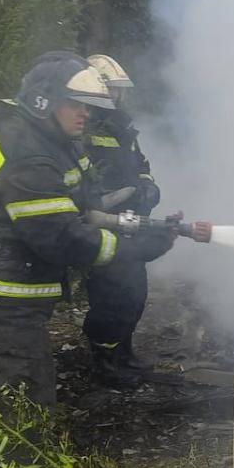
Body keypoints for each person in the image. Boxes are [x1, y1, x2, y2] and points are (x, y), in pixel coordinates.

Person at [0, 51, 174, 468]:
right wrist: (128, 250)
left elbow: (84, 207)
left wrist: (140, 226)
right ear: (45, 101)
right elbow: (60, 237)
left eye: (88, 104)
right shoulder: (29, 151)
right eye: (75, 103)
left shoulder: (49, 142)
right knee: (20, 393)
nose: (86, 112)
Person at [81, 55, 161, 379]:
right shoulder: (84, 128)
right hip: (103, 224)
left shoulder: (123, 126)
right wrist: (115, 196)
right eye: (112, 90)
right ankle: (104, 363)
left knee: (136, 291)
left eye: (119, 91)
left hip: (130, 221)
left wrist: (147, 187)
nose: (118, 97)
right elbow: (86, 182)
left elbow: (140, 165)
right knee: (110, 296)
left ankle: (124, 352)